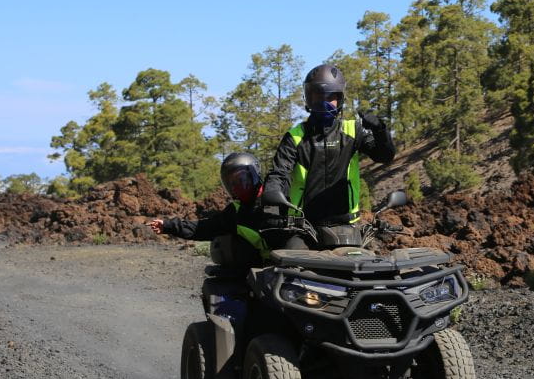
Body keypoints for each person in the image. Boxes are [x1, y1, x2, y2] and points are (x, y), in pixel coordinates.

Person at [264, 64, 396, 247]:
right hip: (303, 226)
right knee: (289, 259)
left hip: (346, 226)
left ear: (340, 99)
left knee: (364, 262)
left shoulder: (352, 131)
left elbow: (385, 156)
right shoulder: (295, 137)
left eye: (330, 97)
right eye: (318, 96)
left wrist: (380, 130)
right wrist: (272, 195)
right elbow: (279, 173)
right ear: (309, 98)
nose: (324, 102)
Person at [147, 152, 271, 263]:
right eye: (231, 183)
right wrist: (167, 225)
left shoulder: (276, 194)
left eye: (240, 179)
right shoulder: (234, 212)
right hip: (264, 269)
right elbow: (202, 228)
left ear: (254, 173)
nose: (236, 186)